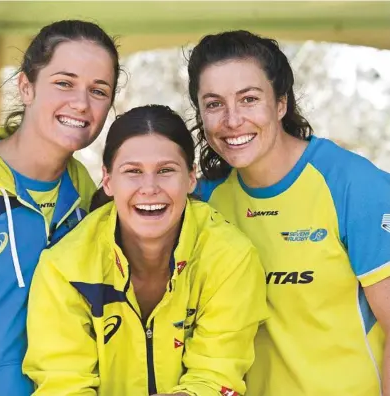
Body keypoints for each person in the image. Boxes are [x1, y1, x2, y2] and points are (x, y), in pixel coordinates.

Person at [189, 30, 390, 395]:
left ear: (281, 103)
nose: (232, 120)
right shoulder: (205, 199)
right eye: (214, 104)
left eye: (249, 99)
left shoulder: (354, 186)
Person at [0, 20, 120, 396]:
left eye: (99, 90)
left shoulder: (84, 195)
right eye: (64, 82)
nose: (81, 103)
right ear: (26, 86)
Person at [23, 104, 267, 396]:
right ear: (109, 180)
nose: (149, 187)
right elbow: (62, 386)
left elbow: (216, 376)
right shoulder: (64, 267)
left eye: (165, 170)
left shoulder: (229, 257)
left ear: (191, 178)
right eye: (133, 171)